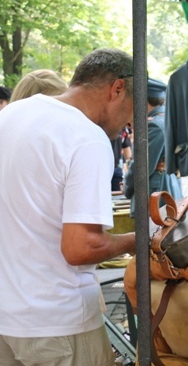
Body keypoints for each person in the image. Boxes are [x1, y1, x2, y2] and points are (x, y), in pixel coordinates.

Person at [0, 48, 137, 365]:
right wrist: (137, 240)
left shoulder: (10, 116)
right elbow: (80, 247)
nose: (130, 121)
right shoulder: (87, 137)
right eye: (131, 107)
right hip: (57, 323)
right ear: (117, 89)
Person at [123, 77, 183, 217]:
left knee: (153, 236)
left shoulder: (154, 125)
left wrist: (127, 187)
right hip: (166, 186)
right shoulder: (167, 120)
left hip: (156, 192)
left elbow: (141, 168)